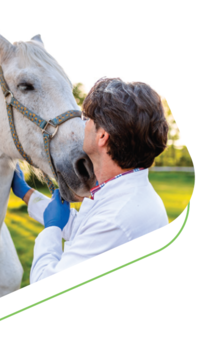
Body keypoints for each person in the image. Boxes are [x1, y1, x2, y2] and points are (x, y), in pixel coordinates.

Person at [11, 77, 169, 283]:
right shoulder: (126, 194)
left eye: (87, 120)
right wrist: (26, 193)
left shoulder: (116, 219)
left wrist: (51, 229)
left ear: (102, 136)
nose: (82, 127)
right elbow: (84, 229)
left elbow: (45, 284)